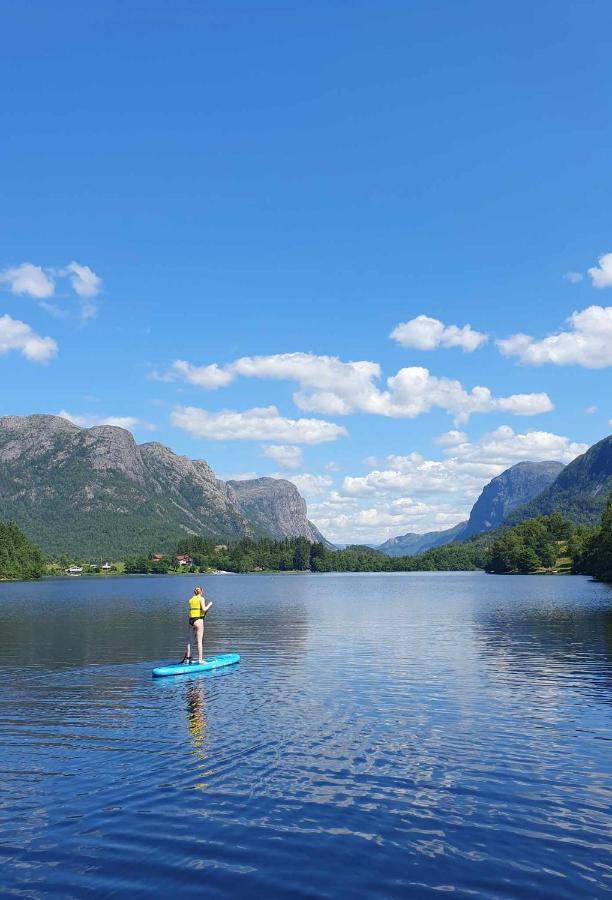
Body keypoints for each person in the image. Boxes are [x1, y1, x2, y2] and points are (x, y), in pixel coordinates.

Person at [185, 586, 213, 665]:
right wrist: (209, 605)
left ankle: (188, 659)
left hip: (191, 621)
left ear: (194, 592)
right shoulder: (201, 598)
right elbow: (204, 609)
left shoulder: (190, 600)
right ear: (201, 592)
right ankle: (200, 660)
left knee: (190, 641)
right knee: (199, 641)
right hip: (198, 621)